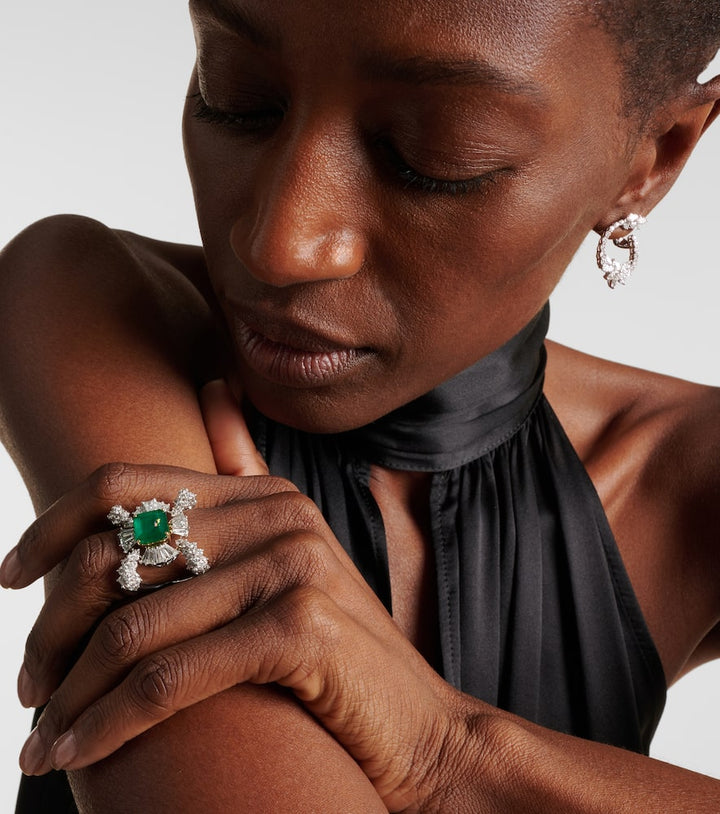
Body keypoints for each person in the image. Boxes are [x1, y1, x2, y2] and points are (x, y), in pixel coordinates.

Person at [1, 0, 720, 810]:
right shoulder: (98, 312)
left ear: (654, 158)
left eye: (434, 156)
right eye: (237, 97)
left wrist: (445, 751)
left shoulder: (689, 479)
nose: (278, 245)